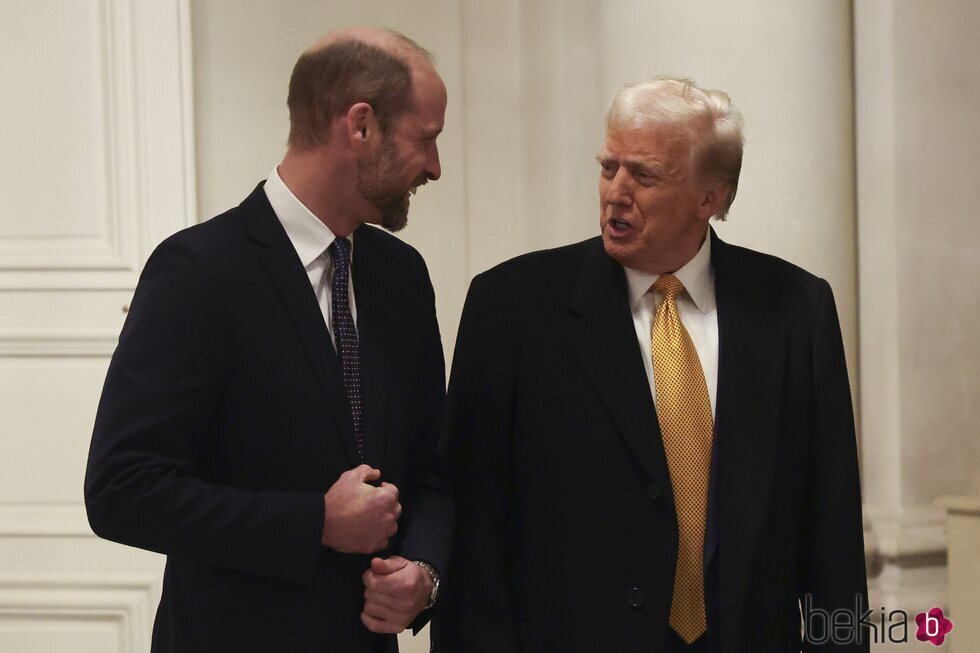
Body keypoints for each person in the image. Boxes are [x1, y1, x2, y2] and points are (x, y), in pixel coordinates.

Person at [433, 77, 868, 652]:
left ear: (711, 198)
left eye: (644, 175)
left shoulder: (795, 309)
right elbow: (475, 534)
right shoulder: (512, 307)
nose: (615, 192)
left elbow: (831, 534)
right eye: (608, 166)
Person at [85, 27, 451, 653]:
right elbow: (122, 490)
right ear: (359, 125)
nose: (435, 168)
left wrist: (424, 570)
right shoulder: (198, 271)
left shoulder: (403, 276)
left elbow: (434, 468)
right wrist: (314, 523)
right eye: (426, 139)